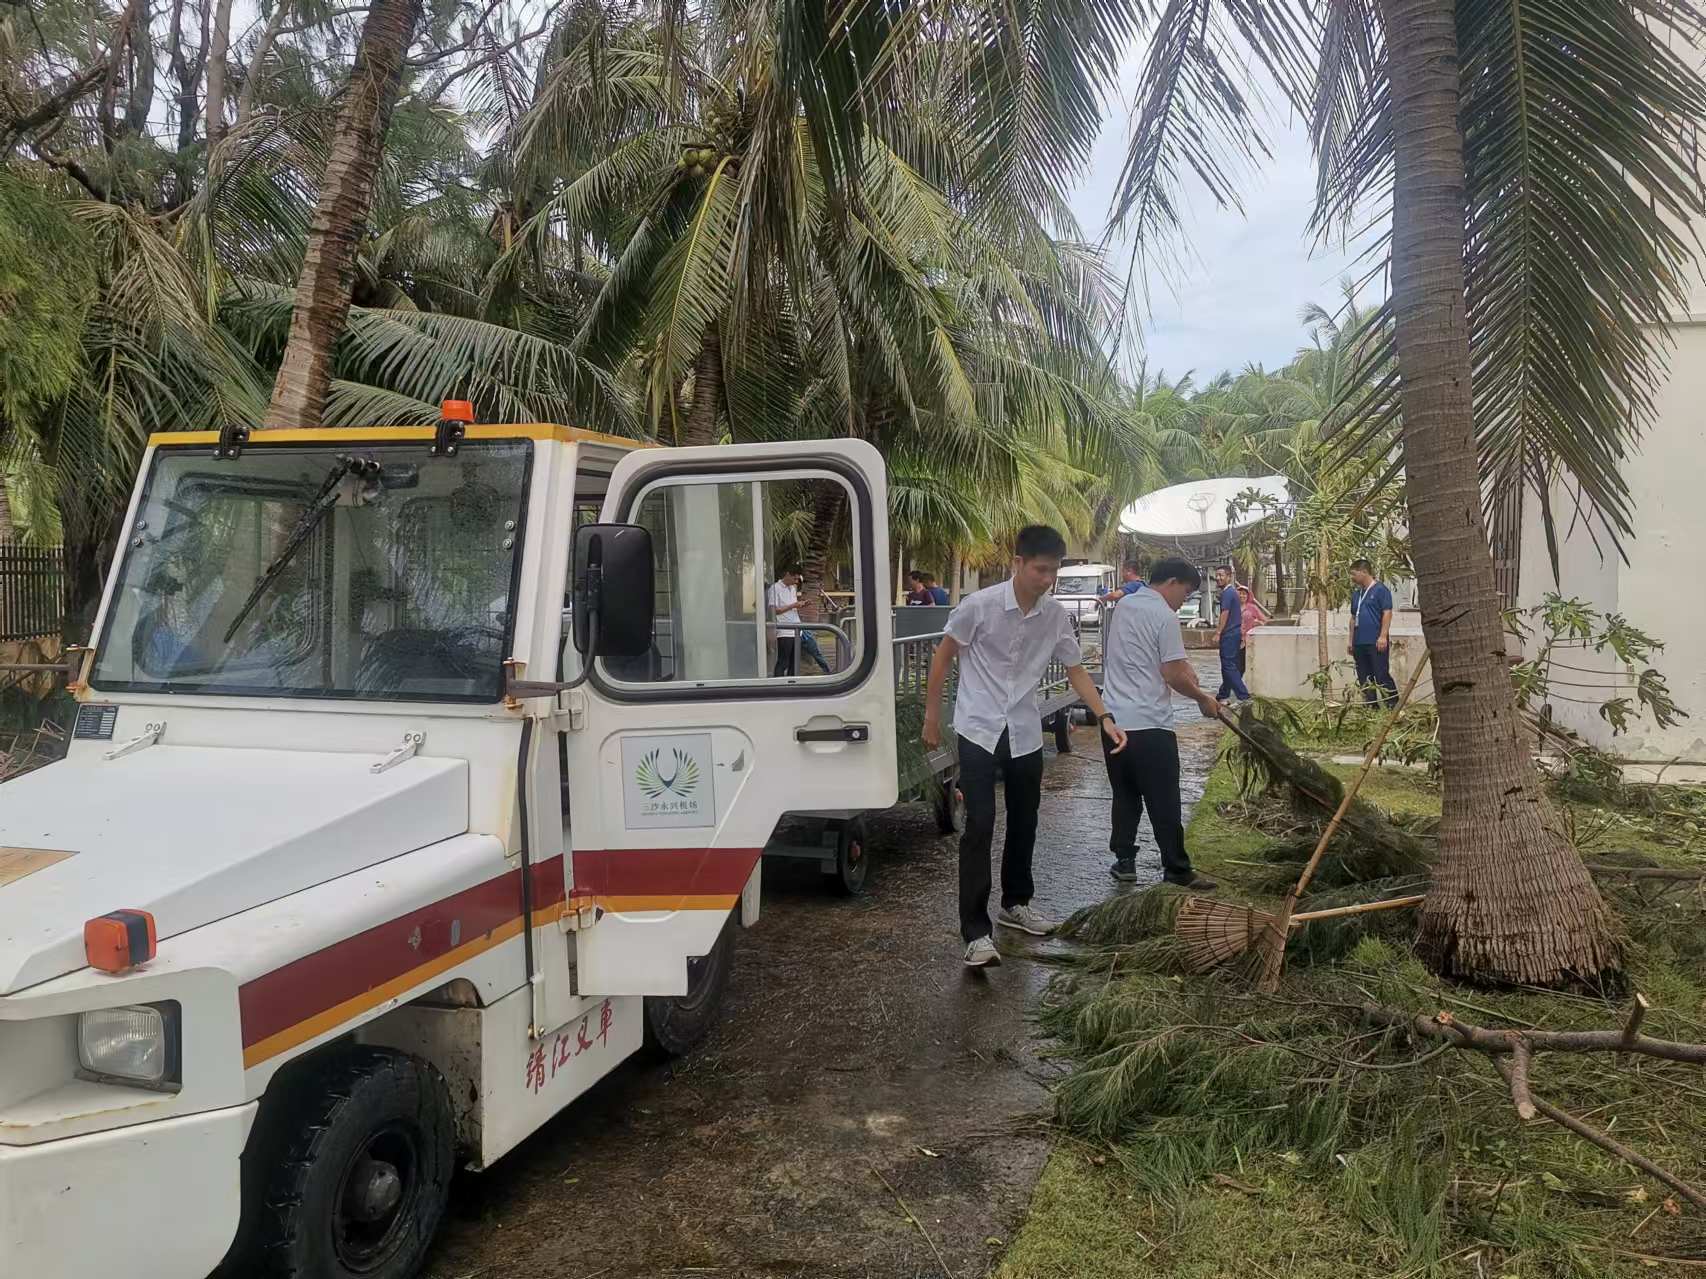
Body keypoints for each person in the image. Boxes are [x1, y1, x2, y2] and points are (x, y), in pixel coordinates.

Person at [922, 525, 1127, 968]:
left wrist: (1105, 716)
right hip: (978, 728)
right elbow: (943, 656)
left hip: (1023, 731)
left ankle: (1016, 904)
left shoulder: (1054, 615)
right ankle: (975, 933)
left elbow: (1075, 670)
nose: (1047, 579)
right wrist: (932, 716)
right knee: (980, 825)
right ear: (1017, 563)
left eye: (1053, 571)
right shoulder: (978, 607)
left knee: (1025, 819)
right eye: (1040, 569)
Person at [1100, 558, 1221, 889]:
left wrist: (1190, 676)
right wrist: (1201, 698)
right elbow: (1171, 674)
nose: (1185, 601)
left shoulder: (1124, 606)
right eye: (1185, 592)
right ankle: (1177, 868)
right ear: (1171, 582)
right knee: (1163, 797)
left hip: (1113, 721)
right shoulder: (1165, 616)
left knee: (1125, 794)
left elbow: (1170, 662)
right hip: (1149, 723)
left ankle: (1124, 862)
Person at [1348, 559, 1397, 706]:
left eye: (1354, 574)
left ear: (1364, 572)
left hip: (1375, 641)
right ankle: (1370, 706)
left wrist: (1383, 636)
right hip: (1359, 642)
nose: (1352, 577)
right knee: (1364, 676)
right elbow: (1352, 618)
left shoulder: (1381, 590)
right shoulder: (1357, 594)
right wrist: (1351, 641)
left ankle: (1393, 705)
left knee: (1381, 674)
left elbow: (1387, 613)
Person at [1212, 565, 1251, 702]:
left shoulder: (1228, 593)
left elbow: (1225, 613)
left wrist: (1218, 632)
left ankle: (1244, 696)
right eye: (1217, 575)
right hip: (1234, 633)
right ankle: (1223, 694)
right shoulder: (1232, 593)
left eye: (1221, 575)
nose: (1218, 578)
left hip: (1229, 634)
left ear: (1229, 577)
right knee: (1229, 665)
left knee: (1228, 665)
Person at [768, 566, 807, 676]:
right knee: (783, 662)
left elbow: (791, 608)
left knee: (794, 663)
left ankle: (792, 686)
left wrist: (800, 605)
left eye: (797, 579)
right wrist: (793, 605)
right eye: (794, 579)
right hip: (784, 631)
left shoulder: (793, 588)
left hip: (796, 629)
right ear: (788, 574)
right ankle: (777, 686)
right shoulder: (775, 588)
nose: (796, 582)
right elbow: (773, 610)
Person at [1236, 583, 1268, 676]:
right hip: (1234, 638)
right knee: (1233, 663)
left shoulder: (1252, 608)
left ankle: (1238, 684)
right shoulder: (1233, 607)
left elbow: (1264, 621)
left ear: (1248, 595)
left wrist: (1256, 623)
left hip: (1247, 640)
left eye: (1244, 593)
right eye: (1240, 593)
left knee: (1243, 664)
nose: (1242, 595)